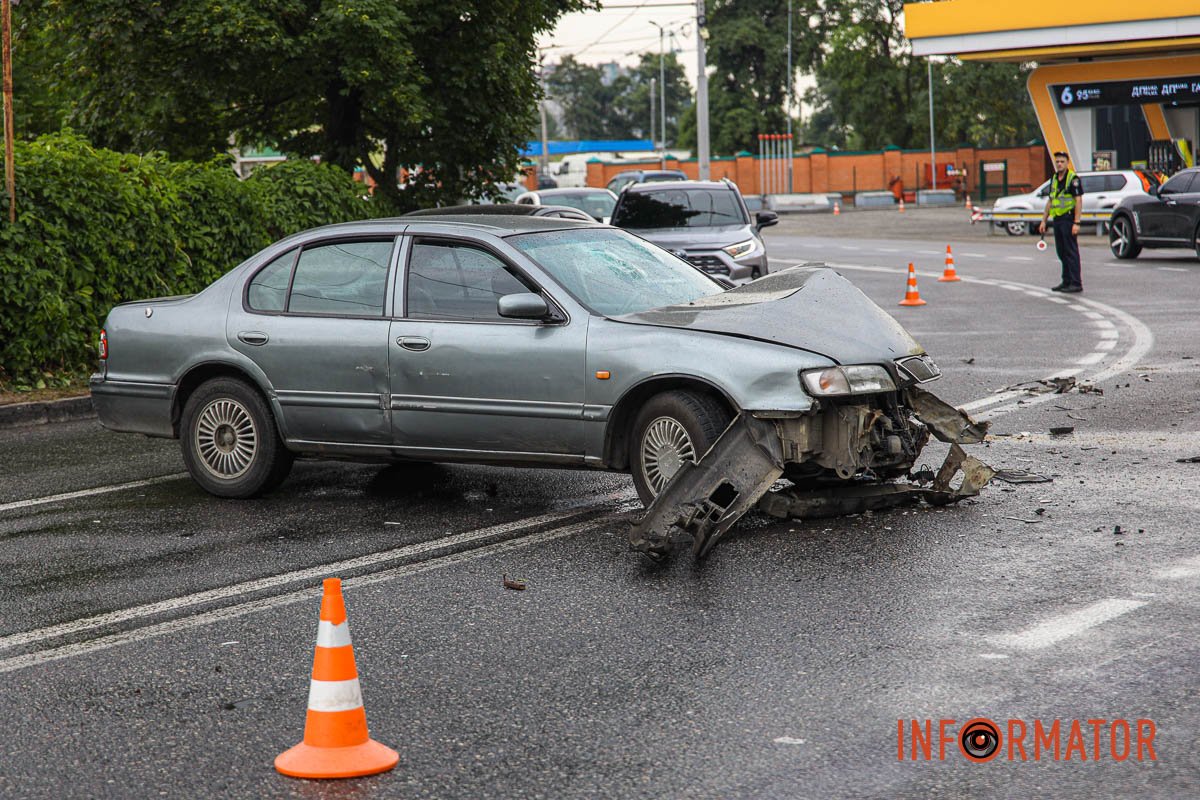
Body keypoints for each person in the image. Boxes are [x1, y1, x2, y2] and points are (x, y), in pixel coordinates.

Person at [1038, 152, 1083, 293]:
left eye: (1062, 161)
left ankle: (1076, 282)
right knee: (1061, 252)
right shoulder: (1054, 179)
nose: (1059, 164)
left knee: (1071, 252)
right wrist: (1043, 221)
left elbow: (1078, 200)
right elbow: (1050, 200)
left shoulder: (1073, 179)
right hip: (1057, 219)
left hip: (1068, 219)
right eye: (1057, 161)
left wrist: (1077, 222)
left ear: (1067, 162)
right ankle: (1066, 281)